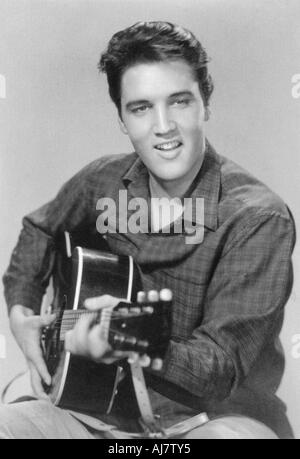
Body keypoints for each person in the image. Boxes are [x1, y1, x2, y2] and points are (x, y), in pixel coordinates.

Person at [0, 21, 296, 439]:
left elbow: (219, 370)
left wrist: (129, 339)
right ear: (122, 118)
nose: (163, 126)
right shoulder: (102, 180)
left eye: (178, 102)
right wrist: (21, 316)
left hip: (210, 421)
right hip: (96, 410)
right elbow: (39, 231)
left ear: (204, 104)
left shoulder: (257, 217)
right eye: (140, 108)